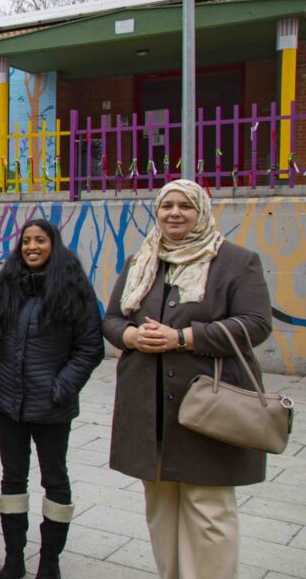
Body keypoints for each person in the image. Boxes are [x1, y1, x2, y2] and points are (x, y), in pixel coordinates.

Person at [103, 179, 272, 579]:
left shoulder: (235, 261)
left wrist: (183, 338)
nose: (174, 213)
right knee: (160, 505)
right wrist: (132, 336)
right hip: (149, 406)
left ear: (202, 211)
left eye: (185, 206)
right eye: (167, 206)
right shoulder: (142, 260)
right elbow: (111, 319)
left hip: (208, 404)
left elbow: (256, 324)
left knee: (208, 508)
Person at [0, 219, 103, 579]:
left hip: (52, 406)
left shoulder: (73, 288)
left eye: (40, 240)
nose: (32, 247)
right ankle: (13, 558)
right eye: (26, 241)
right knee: (12, 479)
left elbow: (90, 347)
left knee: (55, 479)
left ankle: (50, 560)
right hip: (9, 404)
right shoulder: (7, 286)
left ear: (54, 245)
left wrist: (61, 388)